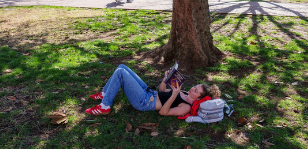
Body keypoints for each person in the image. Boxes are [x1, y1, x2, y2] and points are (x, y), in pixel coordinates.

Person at [86, 65, 220, 117]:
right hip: (149, 92)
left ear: (198, 98)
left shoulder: (186, 107)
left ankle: (105, 106)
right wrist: (165, 80)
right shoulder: (184, 93)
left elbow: (163, 112)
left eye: (195, 91)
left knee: (121, 72)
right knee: (122, 67)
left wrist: (174, 95)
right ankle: (105, 93)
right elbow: (162, 91)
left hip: (144, 101)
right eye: (195, 87)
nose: (192, 89)